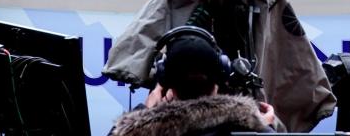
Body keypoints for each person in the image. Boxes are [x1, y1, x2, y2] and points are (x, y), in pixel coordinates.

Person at [110, 28, 277, 136]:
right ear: (219, 79)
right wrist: (260, 125)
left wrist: (145, 111)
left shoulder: (136, 131)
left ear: (167, 83)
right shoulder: (253, 129)